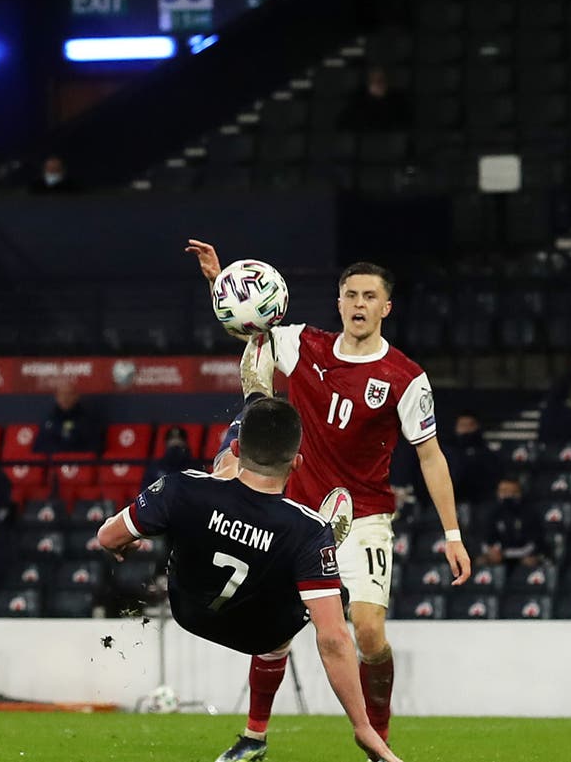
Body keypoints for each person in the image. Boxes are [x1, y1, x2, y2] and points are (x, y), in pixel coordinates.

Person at [186, 239, 470, 761]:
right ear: (338, 302)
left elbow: (430, 456)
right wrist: (219, 281)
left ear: (386, 307)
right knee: (271, 633)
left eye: (369, 296)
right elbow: (251, 322)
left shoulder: (405, 377)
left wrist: (452, 534)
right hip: (296, 515)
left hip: (362, 518)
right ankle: (253, 737)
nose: (358, 304)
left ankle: (376, 738)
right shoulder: (302, 345)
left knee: (368, 632)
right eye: (349, 295)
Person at [96, 398, 402, 762]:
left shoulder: (182, 487)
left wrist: (123, 544)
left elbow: (107, 537)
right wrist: (361, 726)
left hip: (189, 609)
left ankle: (254, 741)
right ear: (297, 462)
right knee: (309, 585)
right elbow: (334, 638)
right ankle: (312, 568)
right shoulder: (309, 529)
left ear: (237, 448)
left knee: (211, 507)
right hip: (261, 630)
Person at [476, 475, 545, 574]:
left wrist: (506, 554)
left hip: (523, 555)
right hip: (498, 557)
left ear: (519, 493)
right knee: (480, 561)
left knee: (531, 562)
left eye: (511, 492)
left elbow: (534, 543)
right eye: (503, 491)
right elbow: (484, 538)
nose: (507, 495)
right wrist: (490, 551)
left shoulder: (530, 513)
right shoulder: (491, 512)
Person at [336, 66, 411, 132]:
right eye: (373, 80)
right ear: (368, 82)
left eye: (381, 80)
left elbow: (404, 126)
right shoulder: (357, 101)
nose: (378, 84)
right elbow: (343, 125)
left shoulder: (399, 101)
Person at [33, 383, 101, 455]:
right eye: (62, 394)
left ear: (76, 396)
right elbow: (38, 448)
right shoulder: (49, 420)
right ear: (56, 397)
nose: (65, 398)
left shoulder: (87, 420)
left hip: (78, 462)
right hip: (53, 463)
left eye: (69, 394)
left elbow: (94, 448)